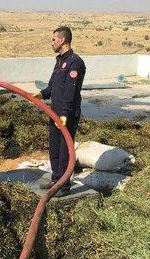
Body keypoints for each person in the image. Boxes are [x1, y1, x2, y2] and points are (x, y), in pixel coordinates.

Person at [33, 26, 86, 197]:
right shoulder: (58, 61)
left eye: (54, 39)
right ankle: (56, 180)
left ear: (62, 40)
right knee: (54, 149)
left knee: (64, 151)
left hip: (67, 115)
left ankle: (63, 186)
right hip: (54, 113)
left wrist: (65, 114)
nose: (52, 43)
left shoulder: (74, 62)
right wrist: (41, 94)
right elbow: (52, 86)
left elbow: (70, 92)